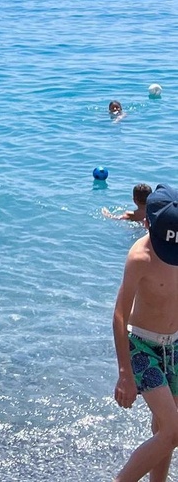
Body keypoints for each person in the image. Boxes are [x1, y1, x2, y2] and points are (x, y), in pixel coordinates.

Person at [112, 184, 178, 482]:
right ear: (148, 223)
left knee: (164, 430)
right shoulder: (140, 257)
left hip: (175, 346)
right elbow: (119, 314)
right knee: (173, 431)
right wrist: (124, 372)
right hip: (142, 346)